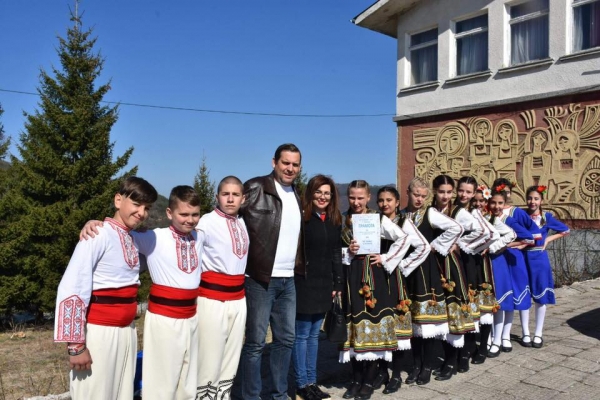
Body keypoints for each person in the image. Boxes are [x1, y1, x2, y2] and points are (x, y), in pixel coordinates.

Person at [81, 186, 204, 400]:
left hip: (192, 318)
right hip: (164, 319)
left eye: (195, 215)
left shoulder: (200, 237)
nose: (190, 220)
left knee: (188, 379)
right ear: (169, 213)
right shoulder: (153, 237)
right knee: (162, 381)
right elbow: (119, 232)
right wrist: (94, 223)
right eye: (184, 214)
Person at [54, 177, 158, 400]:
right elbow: (73, 286)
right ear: (118, 200)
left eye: (147, 208)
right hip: (100, 333)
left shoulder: (133, 239)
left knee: (122, 393)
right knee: (95, 394)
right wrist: (76, 345)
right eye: (136, 204)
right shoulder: (96, 234)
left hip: (127, 332)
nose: (142, 213)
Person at [238, 143, 305, 400]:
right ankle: (251, 396)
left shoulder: (297, 194)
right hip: (259, 279)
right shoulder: (255, 187)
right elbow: (228, 214)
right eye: (285, 163)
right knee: (255, 343)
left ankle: (279, 395)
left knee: (285, 340)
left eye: (295, 164)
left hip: (288, 280)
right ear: (274, 162)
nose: (290, 168)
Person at [340, 180, 412, 400]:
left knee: (372, 325)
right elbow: (336, 252)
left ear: (368, 197)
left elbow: (403, 238)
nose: (356, 202)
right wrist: (348, 251)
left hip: (374, 277)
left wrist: (386, 257)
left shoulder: (377, 219)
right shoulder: (342, 219)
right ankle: (355, 379)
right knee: (354, 328)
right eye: (352, 197)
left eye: (360, 198)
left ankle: (369, 381)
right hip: (351, 277)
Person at [399, 177, 463, 386]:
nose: (419, 199)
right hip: (407, 272)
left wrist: (435, 246)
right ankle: (415, 365)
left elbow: (455, 228)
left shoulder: (430, 214)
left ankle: (426, 366)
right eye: (416, 195)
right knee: (414, 323)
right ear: (407, 192)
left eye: (423, 196)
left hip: (427, 272)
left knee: (427, 323)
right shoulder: (401, 215)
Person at [195, 176, 249, 399]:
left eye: (235, 194)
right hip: (212, 299)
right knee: (209, 358)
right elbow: (181, 239)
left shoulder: (242, 222)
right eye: (225, 194)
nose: (230, 199)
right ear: (217, 197)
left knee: (231, 358)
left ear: (243, 199)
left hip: (238, 299)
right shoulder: (206, 222)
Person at [373, 186, 431, 395]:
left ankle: (396, 374)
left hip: (395, 279)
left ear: (397, 202)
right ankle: (382, 371)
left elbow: (423, 247)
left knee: (397, 327)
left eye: (389, 200)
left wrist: (403, 266)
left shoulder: (404, 222)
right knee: (381, 324)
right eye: (381, 200)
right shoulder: (374, 220)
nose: (385, 204)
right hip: (377, 278)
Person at [293, 175, 343, 400]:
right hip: (304, 283)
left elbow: (336, 253)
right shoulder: (301, 219)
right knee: (302, 335)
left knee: (314, 335)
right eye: (318, 192)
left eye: (327, 193)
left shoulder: (334, 220)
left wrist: (337, 282)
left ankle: (312, 382)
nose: (323, 197)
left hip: (324, 284)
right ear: (310, 193)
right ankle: (301, 384)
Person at [451, 177, 498, 373]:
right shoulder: (452, 210)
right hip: (457, 262)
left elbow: (493, 234)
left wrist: (484, 246)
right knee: (465, 306)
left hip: (476, 263)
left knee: (481, 306)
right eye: (461, 190)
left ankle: (482, 346)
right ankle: (467, 346)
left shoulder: (477, 214)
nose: (464, 195)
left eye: (468, 192)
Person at [492, 178, 542, 350]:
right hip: (496, 260)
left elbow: (534, 235)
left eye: (506, 192)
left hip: (513, 258)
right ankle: (494, 336)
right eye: (500, 192)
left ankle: (508, 335)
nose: (504, 195)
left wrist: (516, 244)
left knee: (515, 294)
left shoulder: (516, 214)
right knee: (498, 296)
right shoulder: (489, 214)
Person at [486, 188, 534, 358]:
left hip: (503, 261)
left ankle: (501, 338)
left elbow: (529, 237)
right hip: (487, 261)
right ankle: (490, 337)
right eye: (493, 202)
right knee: (490, 300)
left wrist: (506, 245)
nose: (496, 206)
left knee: (503, 300)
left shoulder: (509, 220)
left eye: (500, 203)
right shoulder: (485, 218)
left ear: (504, 204)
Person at [522, 185, 570, 348]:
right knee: (524, 296)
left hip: (540, 259)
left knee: (541, 297)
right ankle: (525, 333)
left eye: (536, 198)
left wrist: (548, 239)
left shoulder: (546, 217)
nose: (532, 201)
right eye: (530, 198)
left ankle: (538, 333)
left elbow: (565, 230)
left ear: (541, 200)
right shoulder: (522, 215)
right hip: (524, 258)